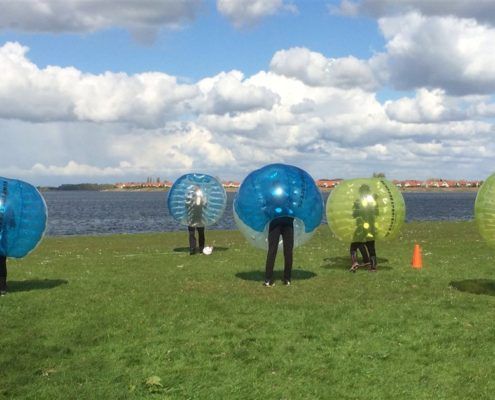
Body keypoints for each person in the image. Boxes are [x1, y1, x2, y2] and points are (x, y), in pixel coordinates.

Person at [350, 184, 378, 272]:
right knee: (371, 247)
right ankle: (373, 268)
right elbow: (377, 213)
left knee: (353, 246)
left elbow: (354, 215)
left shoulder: (358, 201)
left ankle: (355, 263)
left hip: (360, 227)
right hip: (371, 227)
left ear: (360, 192)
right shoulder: (373, 202)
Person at [264, 216, 294, 287]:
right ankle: (268, 279)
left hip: (287, 222)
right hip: (276, 221)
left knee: (288, 251)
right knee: (272, 251)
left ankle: (287, 278)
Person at [186, 186, 207, 255]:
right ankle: (192, 249)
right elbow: (186, 205)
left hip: (200, 217)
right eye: (195, 189)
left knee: (201, 233)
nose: (196, 190)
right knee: (191, 233)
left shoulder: (203, 197)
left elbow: (205, 205)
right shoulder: (189, 197)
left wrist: (201, 200)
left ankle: (201, 248)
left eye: (197, 189)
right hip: (191, 217)